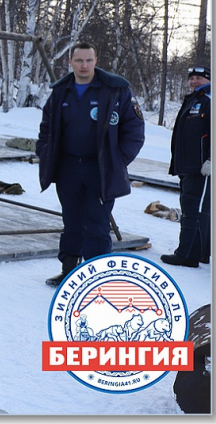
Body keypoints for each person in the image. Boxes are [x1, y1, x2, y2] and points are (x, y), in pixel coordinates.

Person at [36, 41, 145, 287]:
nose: (84, 65)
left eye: (89, 60)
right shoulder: (61, 91)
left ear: (96, 61)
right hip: (68, 168)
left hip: (100, 169)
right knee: (71, 221)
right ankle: (69, 271)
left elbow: (135, 130)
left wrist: (116, 161)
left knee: (97, 223)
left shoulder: (115, 90)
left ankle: (96, 280)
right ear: (70, 62)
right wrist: (44, 152)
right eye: (79, 60)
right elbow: (46, 129)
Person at [162, 66, 211, 268]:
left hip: (201, 168)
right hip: (188, 166)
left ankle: (187, 255)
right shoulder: (194, 100)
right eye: (192, 78)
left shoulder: (209, 100)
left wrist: (212, 159)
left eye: (199, 78)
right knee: (193, 208)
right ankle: (199, 253)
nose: (194, 82)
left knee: (194, 210)